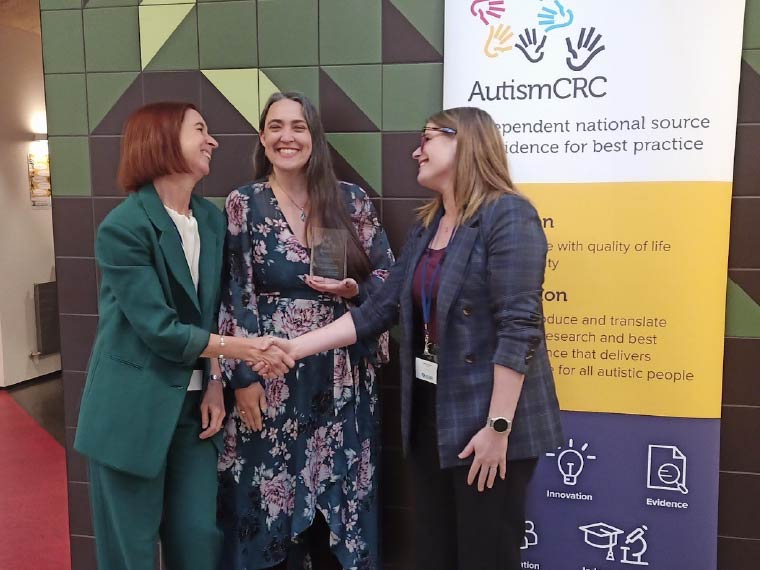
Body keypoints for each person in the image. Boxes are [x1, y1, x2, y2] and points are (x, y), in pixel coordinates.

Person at [270, 107, 564, 570]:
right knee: (434, 552)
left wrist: (499, 428)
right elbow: (378, 309)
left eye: (428, 138)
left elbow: (520, 326)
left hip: (489, 424)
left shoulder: (507, 214)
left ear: (466, 142)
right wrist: (294, 348)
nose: (416, 150)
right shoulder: (429, 226)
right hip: (433, 415)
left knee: (485, 555)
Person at [74, 102, 293, 570]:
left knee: (197, 539)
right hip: (130, 414)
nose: (212, 141)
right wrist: (242, 349)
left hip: (196, 413)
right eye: (200, 130)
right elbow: (160, 330)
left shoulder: (211, 221)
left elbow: (209, 312)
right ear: (162, 140)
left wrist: (215, 380)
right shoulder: (125, 227)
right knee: (128, 553)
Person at [216, 92, 394, 570]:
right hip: (271, 372)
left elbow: (388, 280)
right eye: (275, 126)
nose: (286, 136)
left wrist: (353, 287)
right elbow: (235, 293)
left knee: (342, 503)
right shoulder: (244, 203)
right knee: (268, 502)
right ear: (262, 137)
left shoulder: (350, 200)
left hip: (342, 378)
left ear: (314, 137)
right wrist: (243, 379)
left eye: (298, 127)